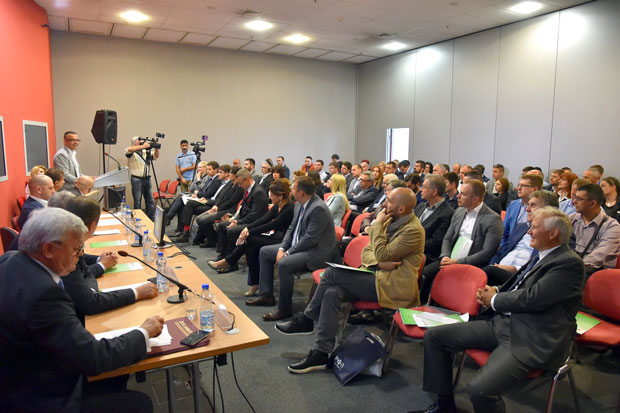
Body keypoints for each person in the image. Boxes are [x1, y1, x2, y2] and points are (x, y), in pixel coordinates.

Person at [417, 207, 584, 413]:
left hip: (529, 338)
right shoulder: (543, 255)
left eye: (533, 227)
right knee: (435, 338)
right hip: (501, 325)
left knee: (480, 391)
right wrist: (496, 290)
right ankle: (444, 407)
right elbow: (522, 286)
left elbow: (533, 298)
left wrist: (494, 299)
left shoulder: (569, 263)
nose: (529, 231)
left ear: (553, 233)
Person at [0, 208, 163, 412]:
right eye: (77, 249)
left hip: (23, 373)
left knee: (118, 371)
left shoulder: (10, 259)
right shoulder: (45, 295)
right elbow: (93, 359)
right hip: (43, 396)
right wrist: (144, 332)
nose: (81, 255)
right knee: (140, 403)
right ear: (48, 249)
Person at [276, 188, 424, 373]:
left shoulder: (412, 230)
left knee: (332, 273)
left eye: (389, 200)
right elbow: (367, 251)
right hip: (376, 276)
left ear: (401, 209)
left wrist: (377, 228)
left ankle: (307, 318)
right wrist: (379, 263)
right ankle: (321, 353)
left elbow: (380, 252)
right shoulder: (390, 220)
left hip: (392, 286)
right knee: (331, 292)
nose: (385, 203)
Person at [248, 176, 341, 321]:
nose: (290, 190)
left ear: (301, 192)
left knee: (285, 263)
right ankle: (267, 295)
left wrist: (287, 253)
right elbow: (291, 229)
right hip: (300, 246)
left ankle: (284, 309)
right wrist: (282, 249)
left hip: (316, 252)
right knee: (265, 252)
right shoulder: (299, 204)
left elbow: (310, 239)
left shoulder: (318, 208)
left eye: (293, 188)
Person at [63, 196, 158, 323]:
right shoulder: (67, 252)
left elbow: (86, 273)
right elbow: (90, 304)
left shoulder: (72, 243)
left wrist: (99, 264)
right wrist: (136, 292)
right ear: (93, 225)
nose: (79, 254)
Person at [419, 180, 503, 304]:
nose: (457, 196)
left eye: (462, 194)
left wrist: (458, 262)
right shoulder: (459, 211)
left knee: (448, 278)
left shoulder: (493, 219)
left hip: (472, 263)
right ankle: (425, 306)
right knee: (425, 273)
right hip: (451, 258)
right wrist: (445, 256)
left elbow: (487, 252)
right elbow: (447, 238)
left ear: (475, 199)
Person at [208, 179, 295, 289]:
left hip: (283, 240)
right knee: (250, 248)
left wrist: (249, 232)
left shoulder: (289, 208)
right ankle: (254, 282)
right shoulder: (277, 205)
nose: (270, 197)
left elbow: (271, 225)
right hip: (275, 236)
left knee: (249, 239)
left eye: (272, 195)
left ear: (280, 196)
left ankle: (229, 261)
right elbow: (264, 219)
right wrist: (247, 228)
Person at [485, 190, 559, 285]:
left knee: (487, 273)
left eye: (533, 205)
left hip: (521, 276)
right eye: (528, 205)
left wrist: (516, 269)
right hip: (498, 268)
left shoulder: (552, 234)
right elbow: (502, 251)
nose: (527, 209)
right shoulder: (521, 227)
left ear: (548, 210)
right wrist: (493, 264)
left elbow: (543, 264)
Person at [213, 169, 269, 258]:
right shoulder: (247, 189)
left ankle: (230, 259)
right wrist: (235, 219)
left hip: (254, 223)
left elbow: (255, 215)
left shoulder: (258, 192)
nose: (239, 186)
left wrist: (238, 222)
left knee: (232, 231)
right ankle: (223, 254)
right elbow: (243, 209)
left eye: (240, 183)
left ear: (247, 180)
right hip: (245, 219)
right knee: (222, 225)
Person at [571, 183, 620, 277]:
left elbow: (599, 256)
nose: (574, 201)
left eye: (579, 199)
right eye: (575, 197)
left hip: (595, 273)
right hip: (571, 268)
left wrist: (572, 269)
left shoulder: (612, 227)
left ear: (592, 203)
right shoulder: (571, 220)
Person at [192, 165, 245, 247]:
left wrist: (218, 208)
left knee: (203, 220)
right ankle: (213, 238)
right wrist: (215, 206)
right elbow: (221, 197)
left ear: (235, 175)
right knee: (199, 218)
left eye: (231, 173)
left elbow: (231, 202)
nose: (229, 175)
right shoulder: (230, 184)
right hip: (221, 208)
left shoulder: (239, 187)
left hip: (228, 211)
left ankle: (212, 240)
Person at [415, 174, 454, 266]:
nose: (420, 190)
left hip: (426, 256)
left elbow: (435, 242)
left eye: (424, 187)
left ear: (434, 191)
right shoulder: (421, 206)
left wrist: (410, 243)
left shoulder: (447, 213)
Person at [165, 160, 210, 235]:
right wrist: (197, 183)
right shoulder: (198, 175)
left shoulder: (208, 177)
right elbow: (192, 188)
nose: (198, 169)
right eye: (198, 167)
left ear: (205, 168)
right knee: (181, 199)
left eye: (200, 167)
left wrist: (198, 180)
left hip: (202, 198)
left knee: (181, 199)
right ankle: (179, 229)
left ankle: (168, 218)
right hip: (195, 195)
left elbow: (202, 188)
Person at [500, 174, 543, 249]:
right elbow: (504, 232)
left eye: (523, 186)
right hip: (510, 247)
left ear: (535, 189)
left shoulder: (543, 208)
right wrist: (503, 248)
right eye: (519, 185)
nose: (519, 188)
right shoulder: (513, 205)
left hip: (530, 248)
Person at [125, 136, 159, 220]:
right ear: (134, 143)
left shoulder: (145, 151)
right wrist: (143, 146)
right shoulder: (131, 152)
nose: (140, 142)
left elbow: (155, 156)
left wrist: (156, 148)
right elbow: (129, 149)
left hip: (147, 178)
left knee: (150, 200)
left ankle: (150, 218)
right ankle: (137, 218)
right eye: (138, 141)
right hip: (136, 179)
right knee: (137, 201)